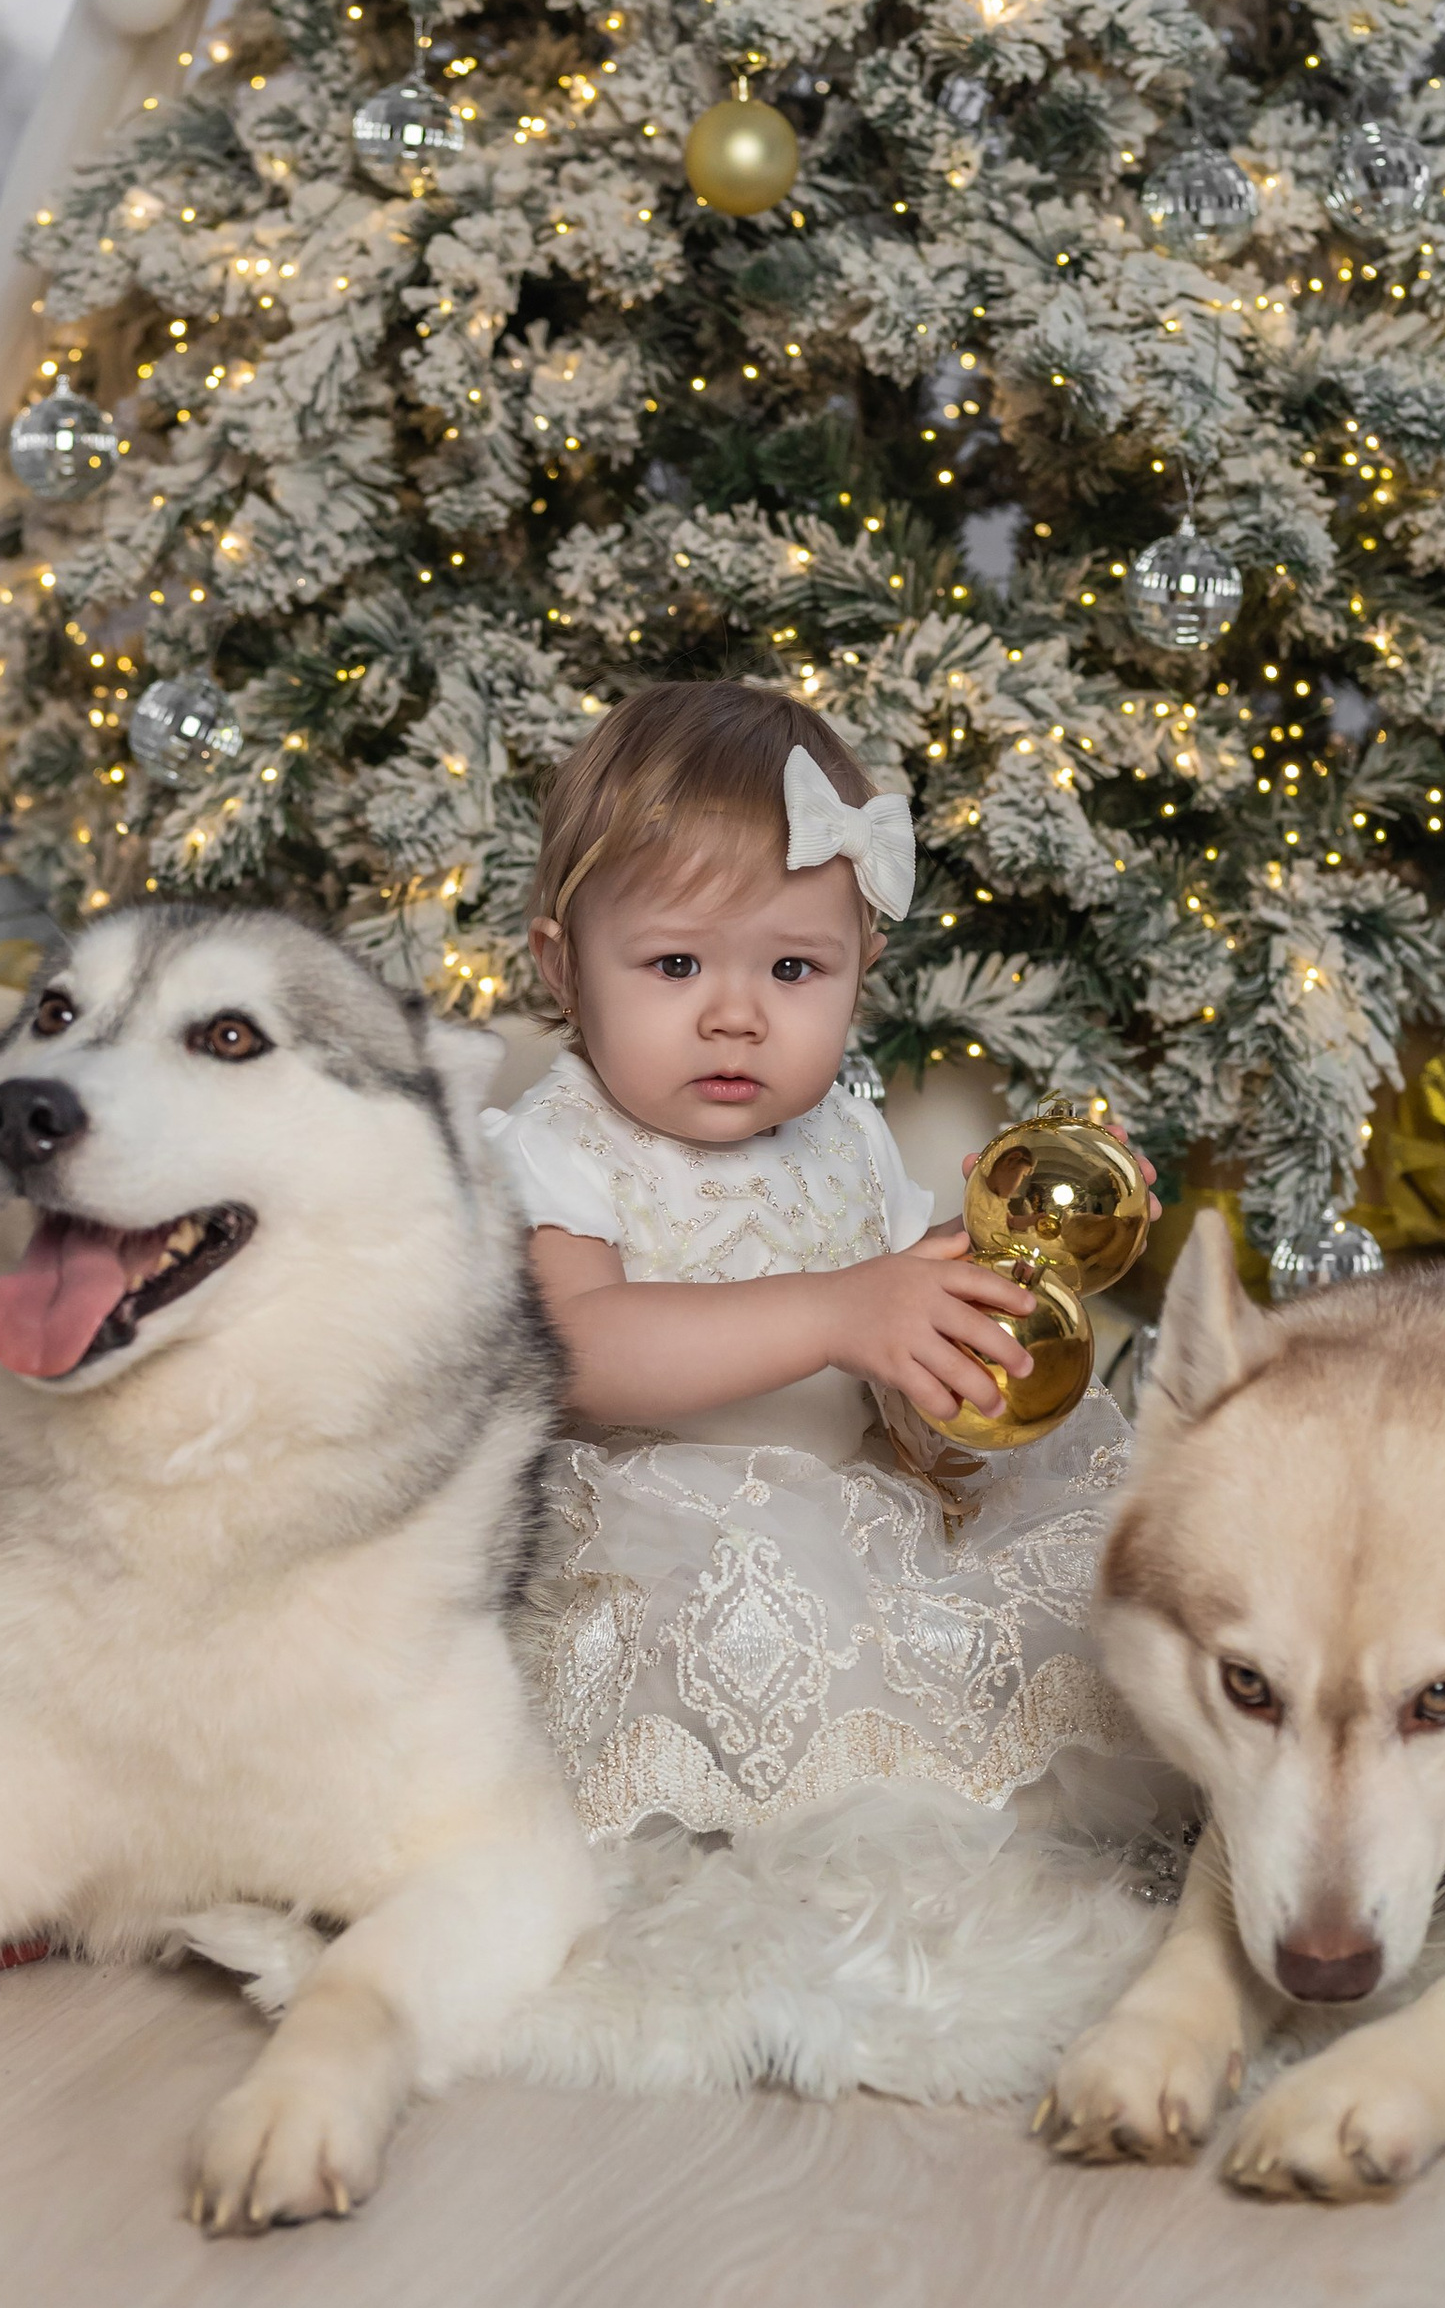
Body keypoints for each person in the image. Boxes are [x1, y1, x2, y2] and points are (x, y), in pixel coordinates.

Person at [483, 678, 1155, 1841]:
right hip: (656, 1542)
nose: (736, 1015)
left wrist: (993, 1269)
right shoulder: (561, 1142)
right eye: (676, 965)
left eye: (793, 970)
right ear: (562, 967)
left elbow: (899, 1324)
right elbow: (578, 1349)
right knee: (763, 1592)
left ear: (861, 966)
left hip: (856, 1506)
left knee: (1075, 1571)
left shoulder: (843, 1126)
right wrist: (841, 1310)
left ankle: (931, 1815)